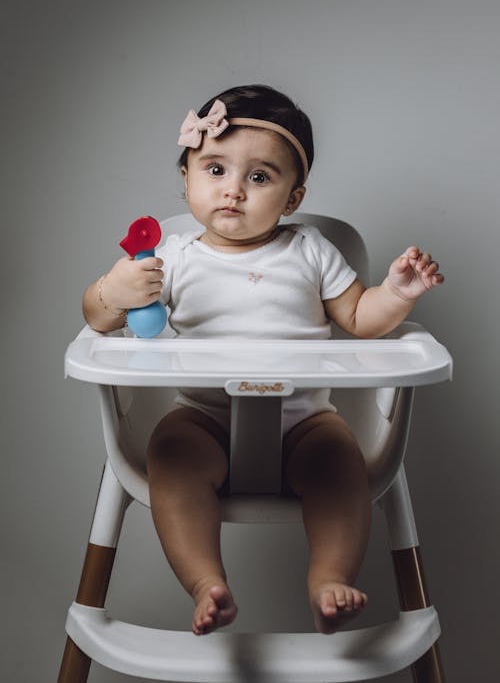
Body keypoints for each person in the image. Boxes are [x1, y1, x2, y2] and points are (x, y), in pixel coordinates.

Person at [83, 84, 444, 636]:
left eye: (258, 177)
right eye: (215, 169)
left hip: (305, 420)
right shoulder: (171, 258)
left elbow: (361, 320)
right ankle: (205, 581)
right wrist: (115, 290)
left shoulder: (312, 250)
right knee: (171, 456)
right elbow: (98, 320)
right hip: (203, 415)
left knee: (340, 465)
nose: (233, 191)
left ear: (293, 198)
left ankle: (328, 577)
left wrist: (397, 293)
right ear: (186, 179)